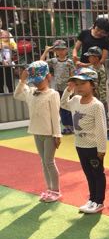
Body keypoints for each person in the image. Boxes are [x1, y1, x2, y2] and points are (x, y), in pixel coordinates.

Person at [61, 67, 107, 214]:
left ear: (92, 84)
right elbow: (63, 103)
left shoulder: (96, 105)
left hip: (93, 147)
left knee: (97, 173)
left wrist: (102, 149)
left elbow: (101, 128)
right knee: (88, 173)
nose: (79, 87)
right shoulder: (75, 100)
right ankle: (92, 199)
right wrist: (68, 89)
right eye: (77, 84)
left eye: (83, 83)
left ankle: (99, 201)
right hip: (80, 146)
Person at [13, 60, 61, 202]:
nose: (37, 83)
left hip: (49, 134)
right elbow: (16, 95)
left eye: (40, 80)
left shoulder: (53, 94)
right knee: (43, 162)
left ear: (48, 77)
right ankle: (49, 189)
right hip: (36, 132)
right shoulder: (31, 92)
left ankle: (56, 191)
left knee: (49, 162)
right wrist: (22, 81)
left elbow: (55, 116)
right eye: (34, 81)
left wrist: (57, 135)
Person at [40, 39, 74, 134]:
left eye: (62, 49)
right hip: (58, 89)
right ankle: (66, 126)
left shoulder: (69, 62)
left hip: (68, 89)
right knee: (61, 108)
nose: (61, 51)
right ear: (55, 51)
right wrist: (46, 51)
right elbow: (41, 62)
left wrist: (72, 86)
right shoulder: (54, 61)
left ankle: (72, 126)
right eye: (58, 49)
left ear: (66, 50)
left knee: (69, 107)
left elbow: (72, 74)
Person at [0, 28, 17, 93]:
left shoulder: (7, 33)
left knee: (10, 83)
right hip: (1, 60)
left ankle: (13, 96)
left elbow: (15, 48)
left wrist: (5, 46)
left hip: (9, 62)